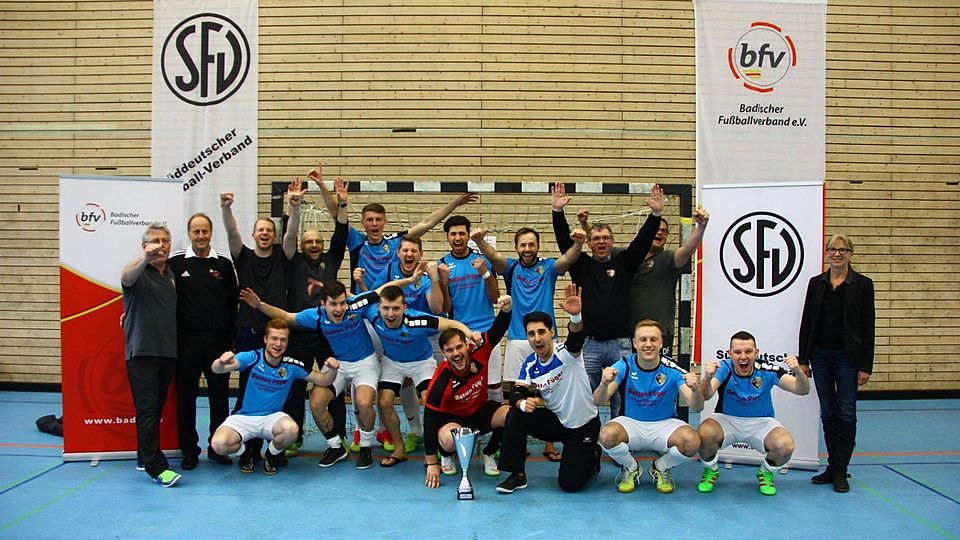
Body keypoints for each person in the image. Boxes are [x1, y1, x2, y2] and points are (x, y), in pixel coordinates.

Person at [240, 275, 422, 470]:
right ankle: (335, 446)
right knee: (317, 403)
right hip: (339, 364)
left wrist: (411, 279)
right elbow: (286, 317)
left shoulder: (356, 304)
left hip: (365, 362)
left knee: (363, 402)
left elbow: (384, 288)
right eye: (333, 304)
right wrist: (259, 305)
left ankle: (366, 447)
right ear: (323, 304)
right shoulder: (316, 316)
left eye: (342, 303)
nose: (339, 309)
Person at [468, 222, 586, 461]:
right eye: (523, 245)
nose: (527, 248)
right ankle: (516, 439)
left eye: (532, 244)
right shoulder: (511, 268)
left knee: (551, 391)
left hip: (545, 340)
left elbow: (568, 259)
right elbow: (496, 258)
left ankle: (550, 443)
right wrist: (480, 241)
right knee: (516, 394)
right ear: (517, 248)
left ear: (538, 246)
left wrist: (579, 243)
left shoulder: (548, 267)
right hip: (517, 340)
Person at [552, 182, 664, 418]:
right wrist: (557, 212)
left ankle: (619, 436)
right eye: (596, 238)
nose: (601, 242)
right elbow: (565, 242)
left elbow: (642, 241)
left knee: (621, 395)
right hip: (589, 344)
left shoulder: (624, 263)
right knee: (589, 394)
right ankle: (589, 440)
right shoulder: (581, 265)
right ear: (590, 244)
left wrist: (655, 215)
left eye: (605, 238)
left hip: (621, 344)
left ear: (612, 242)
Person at [220, 178, 303, 471]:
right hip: (248, 332)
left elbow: (292, 233)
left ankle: (276, 447)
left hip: (277, 334)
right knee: (247, 390)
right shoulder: (242, 257)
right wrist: (226, 208)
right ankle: (248, 447)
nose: (265, 234)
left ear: (273, 235)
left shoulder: (284, 256)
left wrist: (294, 208)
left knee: (285, 387)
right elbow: (231, 232)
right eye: (261, 230)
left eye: (269, 230)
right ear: (254, 235)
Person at [496, 283, 601, 494]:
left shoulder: (567, 354)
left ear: (551, 332)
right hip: (557, 421)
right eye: (531, 334)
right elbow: (517, 392)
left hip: (583, 426)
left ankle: (593, 455)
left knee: (569, 484)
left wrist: (576, 317)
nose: (537, 338)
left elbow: (576, 338)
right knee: (514, 416)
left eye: (541, 332)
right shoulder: (530, 364)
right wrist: (521, 403)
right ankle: (517, 474)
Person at [209, 319, 340, 475]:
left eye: (283, 340)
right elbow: (217, 369)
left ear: (287, 342)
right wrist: (221, 361)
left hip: (272, 418)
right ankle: (244, 452)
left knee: (291, 430)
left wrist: (332, 369)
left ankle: (271, 455)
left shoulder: (292, 365)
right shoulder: (251, 358)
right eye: (274, 338)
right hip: (244, 417)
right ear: (265, 339)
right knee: (219, 445)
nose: (278, 344)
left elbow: (324, 380)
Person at [279, 174, 349, 458]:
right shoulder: (292, 261)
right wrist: (292, 205)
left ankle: (340, 434)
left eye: (318, 241)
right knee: (295, 387)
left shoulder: (332, 260)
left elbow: (341, 232)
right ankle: (295, 436)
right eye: (308, 241)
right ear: (302, 246)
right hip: (298, 334)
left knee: (333, 384)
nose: (314, 244)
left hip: (329, 335)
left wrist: (341, 202)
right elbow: (289, 234)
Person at [799, 234, 875, 493]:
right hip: (820, 356)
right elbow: (807, 323)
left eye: (843, 250)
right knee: (828, 413)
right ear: (827, 253)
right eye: (833, 249)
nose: (837, 254)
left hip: (848, 358)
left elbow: (868, 327)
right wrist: (803, 359)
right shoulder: (816, 284)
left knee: (846, 413)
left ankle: (841, 470)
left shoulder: (863, 285)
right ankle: (833, 465)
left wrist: (866, 366)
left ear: (851, 254)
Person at [368, 285, 475, 467]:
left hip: (421, 363)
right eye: (386, 308)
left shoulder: (418, 320)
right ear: (379, 307)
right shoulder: (372, 315)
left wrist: (469, 333)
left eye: (396, 308)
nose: (390, 314)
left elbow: (450, 324)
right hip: (392, 361)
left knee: (431, 401)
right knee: (384, 402)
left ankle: (438, 448)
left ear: (405, 308)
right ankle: (399, 449)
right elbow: (353, 299)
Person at [593, 320, 703, 494]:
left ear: (661, 343)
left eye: (653, 339)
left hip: (664, 424)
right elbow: (598, 401)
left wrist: (696, 390)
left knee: (692, 442)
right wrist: (603, 384)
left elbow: (697, 406)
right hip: (632, 423)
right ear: (635, 343)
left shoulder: (672, 368)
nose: (648, 344)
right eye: (643, 340)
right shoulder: (624, 365)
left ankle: (661, 467)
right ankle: (630, 467)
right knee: (606, 435)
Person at [697, 331, 811, 496]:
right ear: (730, 354)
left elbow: (802, 390)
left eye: (748, 351)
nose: (743, 357)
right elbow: (706, 395)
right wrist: (707, 378)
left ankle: (766, 472)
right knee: (704, 434)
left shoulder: (768, 370)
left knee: (785, 446)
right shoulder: (724, 368)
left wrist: (798, 372)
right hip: (727, 419)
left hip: (761, 422)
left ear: (756, 352)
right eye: (737, 352)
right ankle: (711, 470)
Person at [168, 213, 238, 470]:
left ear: (211, 233)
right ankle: (189, 450)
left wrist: (230, 338)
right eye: (196, 231)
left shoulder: (223, 264)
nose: (200, 236)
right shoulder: (175, 262)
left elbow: (233, 302)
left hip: (218, 344)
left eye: (204, 231)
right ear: (189, 234)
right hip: (186, 343)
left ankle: (217, 448)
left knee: (219, 398)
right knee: (186, 398)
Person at [422, 295, 513, 488]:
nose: (456, 353)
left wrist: (506, 310)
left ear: (466, 345)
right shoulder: (440, 382)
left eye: (459, 347)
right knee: (448, 440)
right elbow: (429, 421)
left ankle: (489, 452)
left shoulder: (480, 351)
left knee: (512, 415)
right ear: (444, 354)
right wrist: (431, 462)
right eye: (449, 350)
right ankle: (447, 454)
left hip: (480, 411)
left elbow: (498, 329)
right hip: (454, 420)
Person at [120, 223, 180, 487]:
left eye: (165, 240)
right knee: (147, 410)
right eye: (155, 240)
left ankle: (143, 457)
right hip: (142, 352)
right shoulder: (138, 271)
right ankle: (156, 467)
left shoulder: (171, 273)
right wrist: (146, 257)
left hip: (167, 351)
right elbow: (126, 278)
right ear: (145, 245)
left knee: (155, 409)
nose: (161, 245)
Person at [622, 208, 709, 357]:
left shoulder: (668, 259)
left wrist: (701, 226)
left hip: (661, 331)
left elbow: (687, 250)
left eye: (664, 231)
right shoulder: (624, 257)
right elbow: (599, 246)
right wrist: (584, 225)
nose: (660, 232)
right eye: (656, 229)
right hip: (627, 332)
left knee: (660, 376)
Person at [437, 216, 502, 401]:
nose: (458, 238)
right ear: (447, 237)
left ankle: (499, 426)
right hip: (461, 334)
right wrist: (443, 281)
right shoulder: (443, 264)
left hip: (488, 330)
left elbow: (495, 297)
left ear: (468, 236)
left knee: (494, 384)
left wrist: (485, 273)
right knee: (465, 383)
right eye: (453, 234)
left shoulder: (482, 260)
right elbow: (446, 307)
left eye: (462, 233)